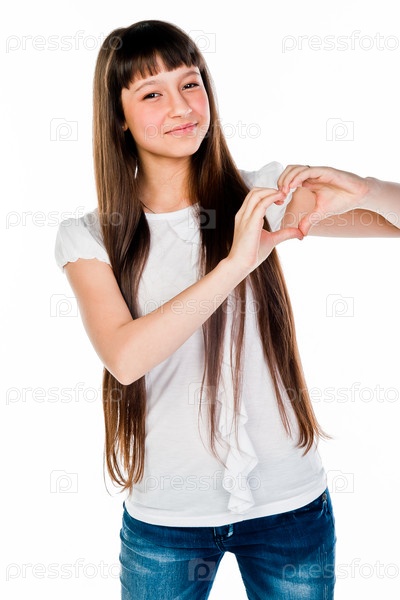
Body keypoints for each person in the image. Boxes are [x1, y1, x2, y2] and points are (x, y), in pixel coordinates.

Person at [54, 19, 400, 600]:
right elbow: (125, 357)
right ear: (119, 117)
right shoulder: (91, 235)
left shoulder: (258, 197)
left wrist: (365, 187)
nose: (181, 106)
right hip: (167, 517)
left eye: (191, 83)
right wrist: (236, 263)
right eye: (152, 94)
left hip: (290, 505)